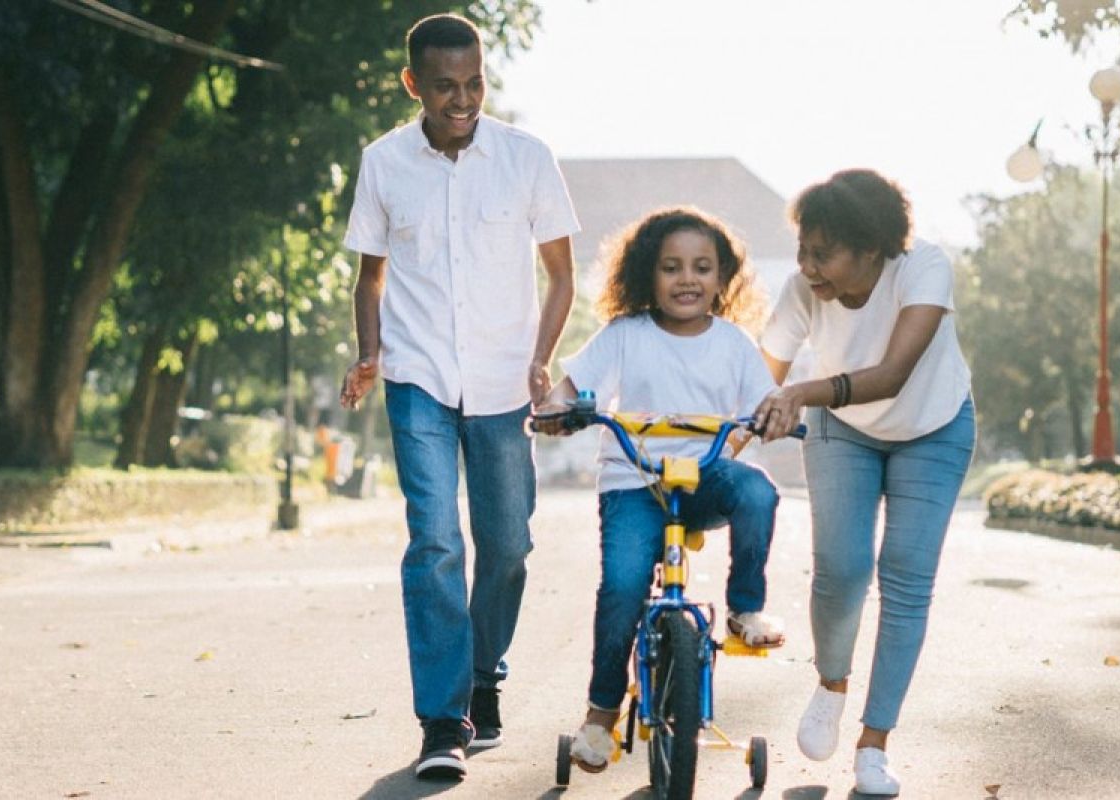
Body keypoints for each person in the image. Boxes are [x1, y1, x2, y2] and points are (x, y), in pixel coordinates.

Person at [338, 13, 579, 781]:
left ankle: (483, 676)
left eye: (474, 83)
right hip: (418, 381)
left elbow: (561, 274)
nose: (463, 99)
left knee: (507, 546)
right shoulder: (383, 163)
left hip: (506, 382)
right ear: (414, 84)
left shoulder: (526, 157)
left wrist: (542, 359)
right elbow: (370, 276)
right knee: (437, 542)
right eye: (445, 86)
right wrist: (371, 354)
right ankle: (444, 718)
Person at [534, 207, 790, 773]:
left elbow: (762, 403)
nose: (687, 279)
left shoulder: (733, 343)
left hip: (703, 478)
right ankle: (600, 717)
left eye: (702, 267)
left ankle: (745, 609)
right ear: (648, 275)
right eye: (671, 267)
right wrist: (558, 407)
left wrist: (774, 416)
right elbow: (572, 387)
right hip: (634, 482)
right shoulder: (625, 335)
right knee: (624, 587)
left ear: (722, 278)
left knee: (758, 492)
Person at [755, 168, 975, 796]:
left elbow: (893, 373)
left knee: (906, 574)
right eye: (803, 248)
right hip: (843, 431)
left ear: (872, 249)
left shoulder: (922, 269)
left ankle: (874, 744)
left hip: (933, 426)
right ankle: (831, 682)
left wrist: (800, 391)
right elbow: (757, 377)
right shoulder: (803, 290)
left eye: (823, 253)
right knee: (843, 567)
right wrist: (730, 434)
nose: (807, 266)